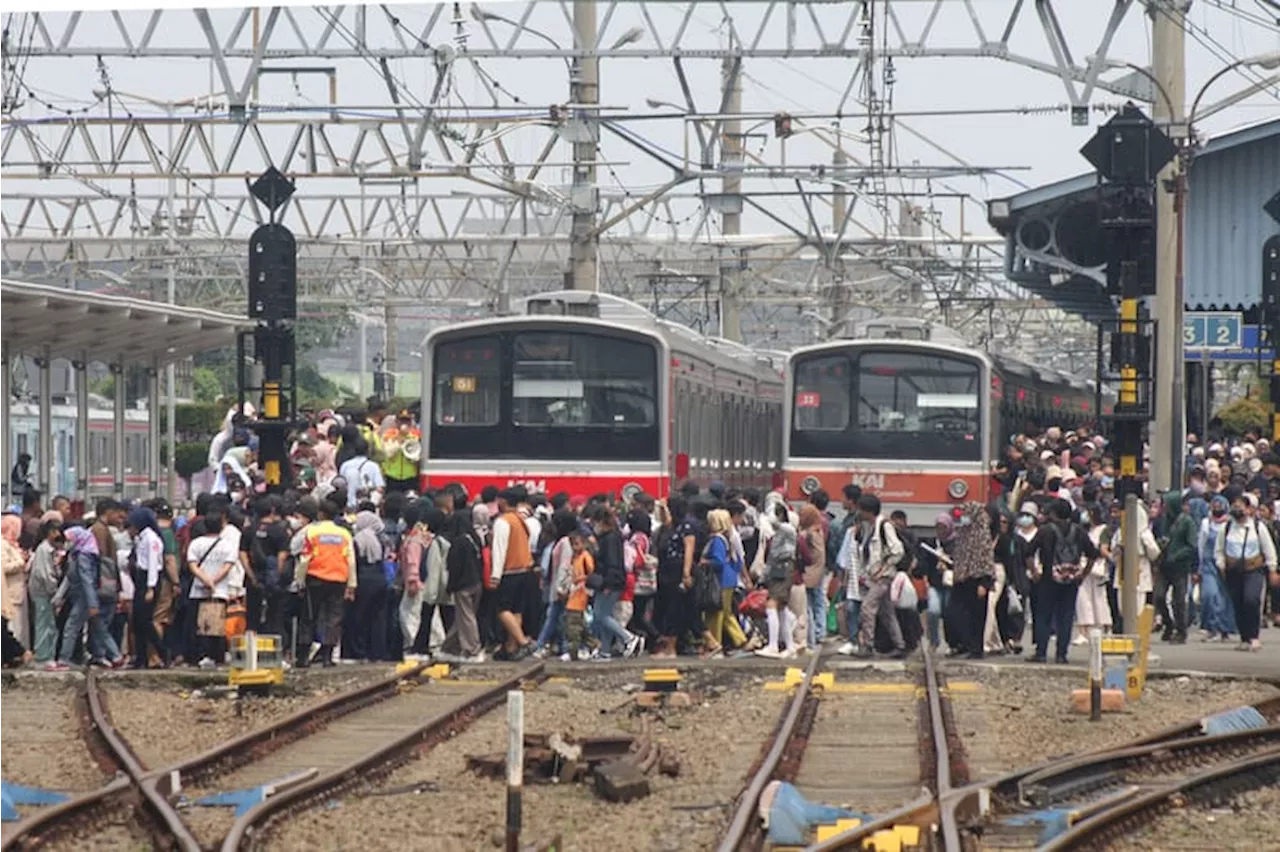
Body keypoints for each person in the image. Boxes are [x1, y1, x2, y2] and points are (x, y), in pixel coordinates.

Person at [1029, 499, 1100, 664]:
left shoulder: (1045, 531)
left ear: (1053, 513)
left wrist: (1034, 571)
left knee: (1044, 615)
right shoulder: (1080, 532)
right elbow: (1092, 554)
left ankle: (1041, 652)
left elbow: (1028, 551)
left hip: (1048, 579)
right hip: (1071, 579)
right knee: (1066, 616)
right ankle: (1061, 654)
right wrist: (1083, 574)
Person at [294, 499, 356, 667]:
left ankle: (303, 658)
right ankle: (327, 658)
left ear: (320, 514)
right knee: (333, 618)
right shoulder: (344, 534)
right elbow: (350, 560)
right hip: (338, 579)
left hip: (315, 578)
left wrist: (299, 580)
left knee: (309, 617)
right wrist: (351, 585)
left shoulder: (312, 532)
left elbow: (305, 557)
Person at [1214, 493, 1278, 652]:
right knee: (1238, 603)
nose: (1237, 510)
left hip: (1253, 569)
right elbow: (1219, 550)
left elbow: (1268, 549)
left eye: (1240, 507)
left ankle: (1254, 636)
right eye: (1234, 506)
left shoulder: (1258, 527)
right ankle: (1244, 638)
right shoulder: (1226, 528)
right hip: (1233, 571)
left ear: (1249, 510)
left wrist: (1272, 569)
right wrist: (1221, 565)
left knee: (1251, 600)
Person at [851, 494, 907, 659]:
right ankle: (900, 645)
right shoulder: (868, 526)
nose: (859, 512)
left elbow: (898, 550)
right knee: (886, 612)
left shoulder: (884, 526)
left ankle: (868, 645)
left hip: (883, 577)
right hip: (874, 576)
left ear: (868, 511)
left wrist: (883, 569)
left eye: (861, 509)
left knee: (867, 608)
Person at [187, 504, 243, 669]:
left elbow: (192, 565)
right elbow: (227, 566)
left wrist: (205, 580)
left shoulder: (196, 543)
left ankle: (202, 656)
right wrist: (213, 581)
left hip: (198, 590)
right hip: (219, 591)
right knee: (215, 626)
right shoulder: (227, 545)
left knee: (199, 625)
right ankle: (215, 656)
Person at [489, 488, 538, 660]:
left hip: (509, 571)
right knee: (516, 611)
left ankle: (523, 642)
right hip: (524, 570)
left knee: (502, 609)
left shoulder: (503, 522)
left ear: (503, 501)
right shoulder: (521, 520)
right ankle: (511, 647)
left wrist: (495, 576)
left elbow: (499, 550)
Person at [945, 502, 996, 659]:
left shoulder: (982, 535)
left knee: (976, 617)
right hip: (961, 579)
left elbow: (986, 561)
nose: (964, 518)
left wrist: (984, 583)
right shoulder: (962, 534)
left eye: (967, 514)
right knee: (954, 613)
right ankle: (962, 644)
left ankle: (975, 649)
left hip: (978, 581)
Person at [590, 505, 641, 659]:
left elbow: (612, 563)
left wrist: (607, 584)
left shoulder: (610, 539)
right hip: (614, 581)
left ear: (601, 522)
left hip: (610, 582)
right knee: (607, 615)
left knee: (600, 615)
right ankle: (605, 650)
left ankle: (628, 638)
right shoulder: (614, 536)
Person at [702, 508, 750, 655]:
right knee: (727, 612)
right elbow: (737, 560)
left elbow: (718, 561)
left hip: (720, 580)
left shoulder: (716, 540)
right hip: (730, 578)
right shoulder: (727, 538)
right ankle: (740, 639)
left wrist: (705, 562)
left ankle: (715, 642)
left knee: (716, 613)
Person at [756, 501, 799, 659]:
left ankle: (773, 645)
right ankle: (789, 646)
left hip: (782, 571)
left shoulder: (787, 529)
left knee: (772, 604)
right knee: (780, 608)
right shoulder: (780, 534)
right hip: (777, 571)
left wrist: (767, 514)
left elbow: (774, 523)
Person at [127, 506, 168, 668]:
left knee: (145, 621)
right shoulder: (141, 538)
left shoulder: (151, 539)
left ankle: (163, 651)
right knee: (137, 621)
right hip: (141, 579)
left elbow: (152, 564)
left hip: (149, 580)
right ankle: (141, 658)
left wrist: (150, 587)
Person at [348, 508, 389, 661]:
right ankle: (377, 652)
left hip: (363, 580)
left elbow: (354, 562)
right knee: (378, 618)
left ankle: (360, 651)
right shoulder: (380, 539)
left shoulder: (357, 539)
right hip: (380, 579)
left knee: (359, 616)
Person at [1155, 490, 1197, 644]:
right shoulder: (1163, 520)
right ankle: (1168, 624)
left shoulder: (1187, 521)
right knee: (1159, 596)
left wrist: (1177, 555)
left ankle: (1181, 631)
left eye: (1166, 503)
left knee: (1178, 600)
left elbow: (1192, 545)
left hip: (1179, 567)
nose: (1164, 507)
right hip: (1164, 565)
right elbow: (1158, 537)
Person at [1197, 494, 1237, 641]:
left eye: (1220, 505)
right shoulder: (1206, 523)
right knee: (1209, 595)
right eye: (1214, 505)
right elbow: (1201, 546)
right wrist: (1199, 566)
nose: (1217, 508)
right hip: (1208, 564)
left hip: (1226, 565)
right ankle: (1211, 627)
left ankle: (1224, 629)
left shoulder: (1230, 524)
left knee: (1225, 598)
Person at [27, 518, 64, 666]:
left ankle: (48, 654)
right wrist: (54, 590)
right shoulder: (44, 549)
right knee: (43, 623)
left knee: (49, 624)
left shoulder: (50, 549)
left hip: (46, 592)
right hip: (43, 592)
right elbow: (44, 574)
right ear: (50, 532)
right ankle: (42, 656)